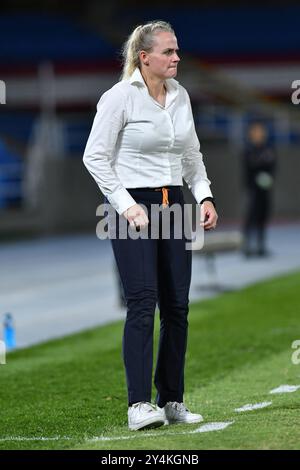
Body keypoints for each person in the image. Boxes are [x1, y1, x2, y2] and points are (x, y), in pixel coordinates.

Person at [83, 20, 218, 431]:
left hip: (173, 204)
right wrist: (125, 206)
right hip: (132, 209)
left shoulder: (180, 97)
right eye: (168, 52)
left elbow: (191, 156)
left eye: (177, 51)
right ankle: (139, 404)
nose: (176, 57)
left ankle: (172, 399)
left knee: (177, 306)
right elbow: (95, 157)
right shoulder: (119, 97)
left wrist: (205, 195)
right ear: (145, 57)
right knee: (142, 302)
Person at [242, 120, 277, 257]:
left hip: (265, 191)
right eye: (255, 131)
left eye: (260, 131)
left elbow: (272, 166)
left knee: (263, 217)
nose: (258, 134)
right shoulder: (248, 150)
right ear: (251, 134)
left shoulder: (269, 149)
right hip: (252, 190)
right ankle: (247, 246)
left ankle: (261, 246)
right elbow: (250, 166)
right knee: (251, 217)